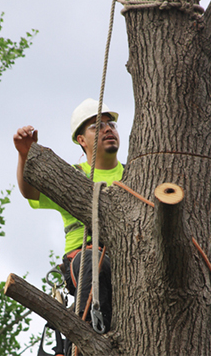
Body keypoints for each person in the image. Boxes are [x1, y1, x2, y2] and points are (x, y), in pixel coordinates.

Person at [13, 98, 124, 341]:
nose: (108, 129)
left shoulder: (134, 174)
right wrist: (24, 155)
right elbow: (29, 191)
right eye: (97, 126)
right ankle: (90, 338)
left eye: (111, 124)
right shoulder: (73, 177)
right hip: (86, 257)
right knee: (94, 261)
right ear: (81, 140)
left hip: (127, 260)